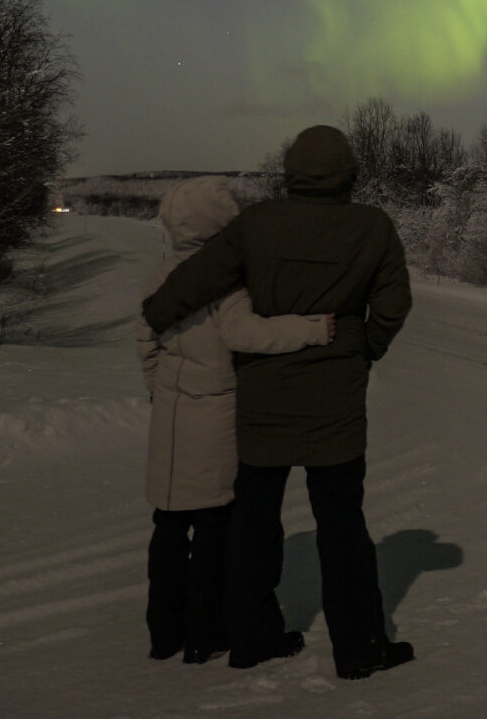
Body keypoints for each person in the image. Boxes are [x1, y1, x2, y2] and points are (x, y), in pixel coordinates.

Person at [142, 124, 415, 680]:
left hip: (263, 402)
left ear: (290, 172)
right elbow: (393, 305)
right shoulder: (373, 228)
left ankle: (251, 639)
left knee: (254, 525)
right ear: (348, 175)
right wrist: (363, 349)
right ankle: (359, 648)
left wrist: (157, 312)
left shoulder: (256, 224)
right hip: (336, 403)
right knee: (342, 526)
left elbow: (197, 280)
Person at [136, 176, 335, 663]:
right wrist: (311, 329)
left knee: (167, 525)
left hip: (171, 413)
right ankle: (206, 634)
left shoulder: (159, 273)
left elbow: (146, 341)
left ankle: (164, 634)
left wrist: (164, 389)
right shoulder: (223, 277)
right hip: (216, 410)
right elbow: (245, 333)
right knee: (213, 529)